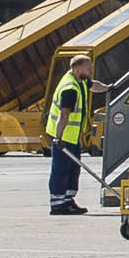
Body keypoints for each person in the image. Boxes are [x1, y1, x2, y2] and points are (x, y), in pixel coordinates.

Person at [44, 58, 94, 215]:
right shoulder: (70, 88)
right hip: (63, 138)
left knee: (73, 170)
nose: (91, 70)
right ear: (77, 69)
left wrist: (110, 88)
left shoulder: (81, 82)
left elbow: (94, 85)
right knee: (61, 170)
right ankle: (58, 203)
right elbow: (63, 115)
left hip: (73, 137)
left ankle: (68, 200)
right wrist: (57, 138)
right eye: (88, 68)